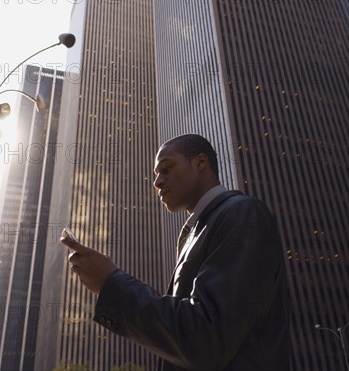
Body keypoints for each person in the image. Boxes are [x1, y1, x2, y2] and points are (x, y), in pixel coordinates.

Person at [61, 134, 290, 371]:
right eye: (155, 175)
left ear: (201, 163)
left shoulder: (242, 214)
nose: (157, 182)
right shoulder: (197, 231)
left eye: (166, 169)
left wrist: (110, 284)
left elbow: (204, 339)